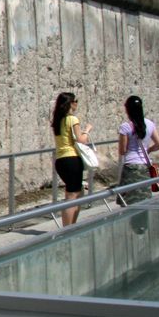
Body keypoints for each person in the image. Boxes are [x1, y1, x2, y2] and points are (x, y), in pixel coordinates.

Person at [51, 92, 93, 226]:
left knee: (75, 193)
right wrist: (87, 130)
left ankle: (71, 227)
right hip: (72, 159)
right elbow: (81, 140)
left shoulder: (58, 120)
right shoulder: (72, 119)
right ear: (70, 103)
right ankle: (68, 229)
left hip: (60, 160)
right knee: (72, 196)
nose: (76, 103)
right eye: (75, 101)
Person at [117, 95, 159, 205]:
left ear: (127, 109)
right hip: (144, 167)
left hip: (131, 167)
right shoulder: (150, 124)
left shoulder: (126, 127)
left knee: (128, 203)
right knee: (144, 202)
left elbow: (122, 151)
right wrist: (149, 150)